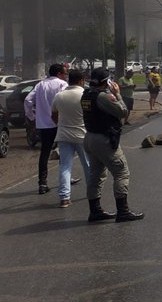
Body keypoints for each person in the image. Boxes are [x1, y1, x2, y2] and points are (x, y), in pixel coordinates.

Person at [82, 67, 144, 222]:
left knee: (96, 176)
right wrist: (117, 94)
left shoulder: (86, 95)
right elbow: (122, 112)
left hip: (90, 137)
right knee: (122, 172)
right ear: (106, 81)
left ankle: (95, 211)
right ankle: (123, 211)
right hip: (103, 139)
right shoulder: (104, 97)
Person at [24, 63, 69, 194]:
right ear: (60, 74)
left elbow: (27, 101)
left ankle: (42, 183)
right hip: (60, 123)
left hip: (44, 125)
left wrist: (32, 117)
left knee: (44, 153)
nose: (66, 76)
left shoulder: (40, 85)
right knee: (64, 151)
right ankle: (66, 178)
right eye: (65, 73)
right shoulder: (62, 85)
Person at [51, 69, 90, 208]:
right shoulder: (85, 95)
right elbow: (89, 115)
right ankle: (92, 193)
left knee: (65, 166)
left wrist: (61, 125)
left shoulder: (59, 96)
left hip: (63, 135)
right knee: (88, 165)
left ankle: (64, 198)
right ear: (81, 81)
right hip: (82, 135)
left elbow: (54, 115)